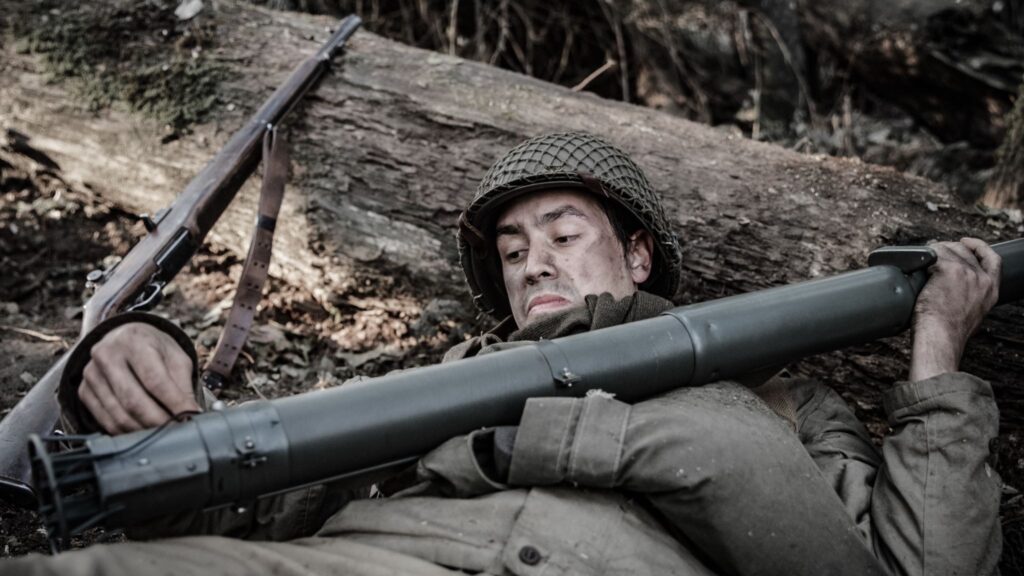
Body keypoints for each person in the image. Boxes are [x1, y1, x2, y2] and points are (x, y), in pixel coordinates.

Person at [3, 133, 1003, 576]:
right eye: (514, 253)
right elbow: (235, 491)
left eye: (563, 236)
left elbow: (929, 566)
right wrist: (128, 360)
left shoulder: (775, 395)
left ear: (638, 252)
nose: (532, 264)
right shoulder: (439, 377)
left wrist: (937, 352)